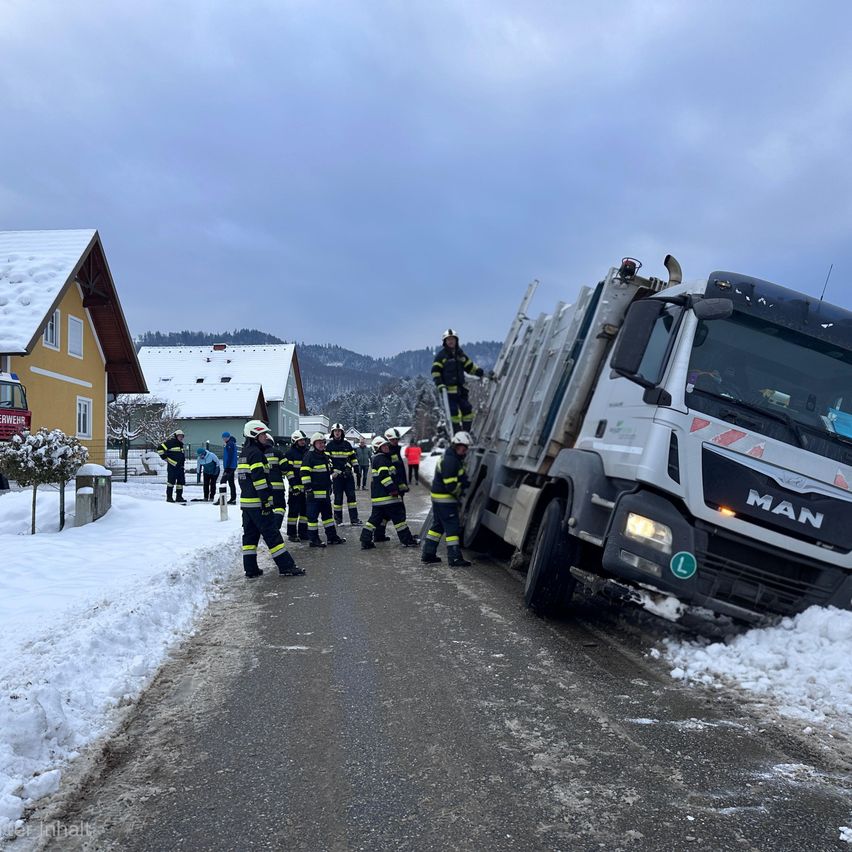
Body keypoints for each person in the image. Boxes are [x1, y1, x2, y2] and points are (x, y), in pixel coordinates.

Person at [237, 420, 303, 578]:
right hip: (258, 504)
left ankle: (251, 569)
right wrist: (266, 502)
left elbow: (243, 480)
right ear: (254, 435)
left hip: (246, 504)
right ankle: (287, 567)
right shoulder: (257, 454)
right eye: (263, 434)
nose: (266, 437)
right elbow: (260, 481)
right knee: (272, 534)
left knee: (250, 537)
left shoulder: (244, 453)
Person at [421, 431, 473, 567]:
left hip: (439, 498)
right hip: (446, 499)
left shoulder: (452, 458)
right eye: (463, 447)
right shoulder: (451, 460)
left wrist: (464, 481)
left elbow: (458, 476)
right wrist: (460, 492)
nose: (465, 450)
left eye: (466, 447)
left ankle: (428, 554)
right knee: (452, 528)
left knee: (437, 527)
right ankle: (455, 558)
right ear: (456, 445)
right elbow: (450, 485)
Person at [360, 436, 418, 550]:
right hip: (387, 497)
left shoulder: (379, 458)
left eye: (387, 445)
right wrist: (392, 489)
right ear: (377, 447)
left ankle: (366, 539)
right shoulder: (382, 459)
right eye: (384, 446)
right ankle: (407, 540)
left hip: (379, 499)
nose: (387, 447)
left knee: (375, 520)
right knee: (399, 519)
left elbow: (393, 476)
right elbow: (384, 477)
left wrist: (401, 487)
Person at [432, 329, 493, 431]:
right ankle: (456, 435)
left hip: (461, 390)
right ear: (445, 342)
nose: (451, 341)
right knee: (454, 413)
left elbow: (470, 367)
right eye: (448, 340)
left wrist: (480, 372)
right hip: (448, 392)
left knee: (467, 410)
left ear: (456, 341)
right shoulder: (441, 356)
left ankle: (466, 434)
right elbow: (435, 371)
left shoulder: (460, 354)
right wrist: (440, 384)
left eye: (453, 339)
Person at [300, 432, 346, 547]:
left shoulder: (325, 456)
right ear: (313, 444)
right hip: (314, 494)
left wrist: (339, 473)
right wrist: (308, 489)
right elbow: (304, 473)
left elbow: (329, 470)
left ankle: (332, 537)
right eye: (319, 443)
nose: (321, 445)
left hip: (325, 493)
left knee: (328, 518)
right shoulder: (309, 456)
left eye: (323, 442)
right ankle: (313, 540)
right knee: (312, 519)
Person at [372, 427, 409, 542]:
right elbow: (391, 474)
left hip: (395, 488)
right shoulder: (386, 454)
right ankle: (406, 538)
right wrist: (395, 488)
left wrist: (403, 486)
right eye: (392, 440)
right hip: (390, 489)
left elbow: (400, 471)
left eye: (396, 439)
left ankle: (379, 535)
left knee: (384, 515)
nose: (395, 442)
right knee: (398, 514)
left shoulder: (393, 451)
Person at [326, 423, 362, 525]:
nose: (337, 433)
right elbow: (327, 461)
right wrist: (332, 471)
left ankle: (354, 519)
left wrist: (356, 469)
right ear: (332, 433)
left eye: (339, 431)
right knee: (338, 499)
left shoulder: (347, 445)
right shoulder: (329, 446)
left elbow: (353, 459)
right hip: (337, 477)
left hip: (348, 476)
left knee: (352, 499)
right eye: (335, 431)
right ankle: (338, 520)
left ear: (342, 432)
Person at [283, 429, 310, 542]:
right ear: (295, 441)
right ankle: (292, 533)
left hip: (306, 487)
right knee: (294, 512)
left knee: (305, 512)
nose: (303, 442)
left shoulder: (308, 452)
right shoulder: (290, 454)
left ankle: (303, 533)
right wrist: (293, 485)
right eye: (300, 440)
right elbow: (288, 471)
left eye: (303, 440)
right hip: (295, 488)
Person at [157, 428, 187, 503]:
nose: (181, 438)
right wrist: (164, 458)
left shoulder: (180, 445)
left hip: (180, 466)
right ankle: (169, 497)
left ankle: (179, 497)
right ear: (176, 436)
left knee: (180, 483)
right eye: (180, 436)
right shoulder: (171, 442)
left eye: (182, 436)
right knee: (171, 482)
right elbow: (159, 448)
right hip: (172, 466)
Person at [265, 440, 287, 529]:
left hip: (264, 487)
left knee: (268, 508)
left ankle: (268, 528)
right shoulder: (278, 453)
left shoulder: (258, 453)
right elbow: (285, 468)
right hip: (278, 487)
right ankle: (276, 527)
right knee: (280, 508)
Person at [221, 431, 238, 504]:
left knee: (223, 482)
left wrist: (227, 467)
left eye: (225, 437)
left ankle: (222, 499)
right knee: (231, 483)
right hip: (231, 466)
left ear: (228, 437)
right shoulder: (230, 443)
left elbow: (230, 456)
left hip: (230, 467)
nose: (224, 439)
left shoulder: (230, 444)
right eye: (223, 438)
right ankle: (233, 499)